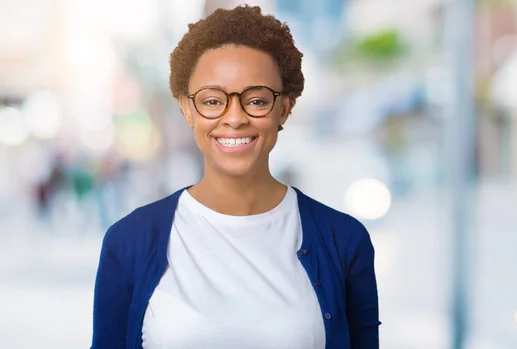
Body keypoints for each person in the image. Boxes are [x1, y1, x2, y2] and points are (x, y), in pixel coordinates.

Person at [91, 5, 380, 349]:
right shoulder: (128, 242)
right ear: (186, 108)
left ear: (284, 107)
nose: (234, 118)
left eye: (256, 100)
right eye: (212, 101)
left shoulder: (345, 241)